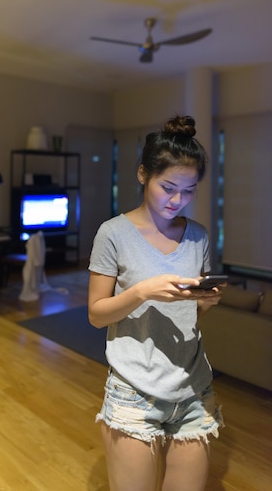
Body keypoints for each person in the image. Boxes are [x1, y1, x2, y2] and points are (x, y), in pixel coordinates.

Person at [88, 115, 225, 491]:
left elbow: (186, 314)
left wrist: (205, 303)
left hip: (193, 388)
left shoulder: (198, 236)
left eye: (189, 190)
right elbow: (96, 315)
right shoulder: (113, 234)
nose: (177, 200)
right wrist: (141, 291)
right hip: (134, 390)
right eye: (168, 187)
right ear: (143, 174)